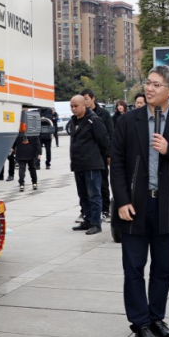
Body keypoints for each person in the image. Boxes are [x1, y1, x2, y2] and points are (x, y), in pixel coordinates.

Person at [111, 65, 169, 337]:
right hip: (134, 207)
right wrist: (122, 201)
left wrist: (168, 149)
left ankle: (156, 318)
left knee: (163, 267)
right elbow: (117, 165)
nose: (149, 88)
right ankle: (140, 324)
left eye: (156, 85)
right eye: (148, 83)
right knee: (134, 267)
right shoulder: (128, 121)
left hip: (167, 206)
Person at [67, 95, 109, 235]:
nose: (73, 109)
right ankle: (87, 220)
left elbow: (104, 141)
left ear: (84, 105)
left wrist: (104, 157)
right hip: (78, 164)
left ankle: (96, 223)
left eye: (76, 106)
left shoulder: (94, 120)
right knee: (83, 195)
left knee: (94, 195)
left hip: (91, 164)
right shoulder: (73, 121)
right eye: (71, 106)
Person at [82, 89, 115, 221]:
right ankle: (87, 211)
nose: (85, 101)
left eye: (86, 98)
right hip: (86, 156)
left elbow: (110, 134)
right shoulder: (82, 114)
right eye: (82, 98)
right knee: (86, 185)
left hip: (101, 154)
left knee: (102, 182)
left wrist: (109, 154)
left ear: (92, 98)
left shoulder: (103, 114)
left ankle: (105, 209)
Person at [13, 122, 39, 191]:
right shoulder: (32, 131)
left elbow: (14, 142)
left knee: (22, 169)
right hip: (31, 152)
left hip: (21, 152)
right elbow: (37, 142)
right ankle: (34, 183)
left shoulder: (18, 131)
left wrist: (12, 149)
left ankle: (22, 184)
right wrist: (39, 152)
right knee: (32, 168)